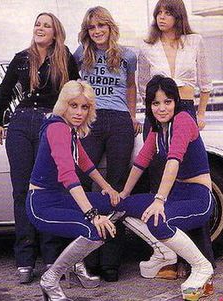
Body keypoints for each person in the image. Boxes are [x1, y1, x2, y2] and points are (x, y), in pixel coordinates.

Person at [0, 12, 80, 284]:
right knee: (22, 191)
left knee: (49, 189)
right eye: (38, 24)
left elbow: (75, 92)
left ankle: (52, 256)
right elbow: (3, 95)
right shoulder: (22, 58)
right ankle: (25, 259)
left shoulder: (64, 57)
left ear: (55, 32)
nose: (40, 29)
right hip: (20, 125)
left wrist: (73, 125)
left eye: (46, 26)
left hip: (51, 124)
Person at [118, 75, 214, 301]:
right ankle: (165, 252)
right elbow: (142, 161)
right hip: (176, 195)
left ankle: (202, 267)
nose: (161, 108)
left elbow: (173, 160)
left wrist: (159, 200)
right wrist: (123, 193)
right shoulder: (157, 128)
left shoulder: (183, 120)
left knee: (158, 220)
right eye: (155, 103)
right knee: (120, 206)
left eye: (167, 102)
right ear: (149, 105)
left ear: (176, 102)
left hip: (198, 198)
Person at [137, 0, 214, 279]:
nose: (161, 17)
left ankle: (201, 257)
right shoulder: (146, 46)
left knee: (192, 181)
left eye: (167, 12)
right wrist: (146, 117)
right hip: (156, 115)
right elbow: (144, 84)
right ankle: (168, 258)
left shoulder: (194, 41)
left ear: (178, 15)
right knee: (160, 183)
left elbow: (205, 82)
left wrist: (201, 114)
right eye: (158, 12)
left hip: (184, 110)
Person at [26, 80, 123, 301]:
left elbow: (85, 162)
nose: (79, 112)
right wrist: (93, 215)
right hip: (41, 203)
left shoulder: (69, 129)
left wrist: (107, 188)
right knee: (96, 230)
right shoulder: (58, 128)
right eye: (74, 105)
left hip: (59, 198)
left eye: (84, 107)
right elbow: (68, 174)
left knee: (116, 205)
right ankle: (50, 279)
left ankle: (76, 265)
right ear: (63, 105)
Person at [73, 6, 142, 281]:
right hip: (91, 121)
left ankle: (111, 261)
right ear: (87, 31)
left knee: (115, 187)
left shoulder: (127, 55)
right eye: (92, 27)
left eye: (101, 26)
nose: (97, 31)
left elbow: (131, 87)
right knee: (85, 184)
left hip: (119, 121)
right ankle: (88, 256)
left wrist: (133, 115)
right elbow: (74, 88)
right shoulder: (80, 54)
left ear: (110, 27)